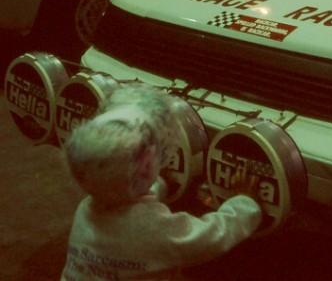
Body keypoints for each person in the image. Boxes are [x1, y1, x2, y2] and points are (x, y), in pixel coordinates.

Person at [61, 84, 262, 281]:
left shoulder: (86, 209)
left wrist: (157, 184)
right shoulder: (156, 230)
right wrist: (244, 205)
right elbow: (212, 237)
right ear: (148, 167)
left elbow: (127, 202)